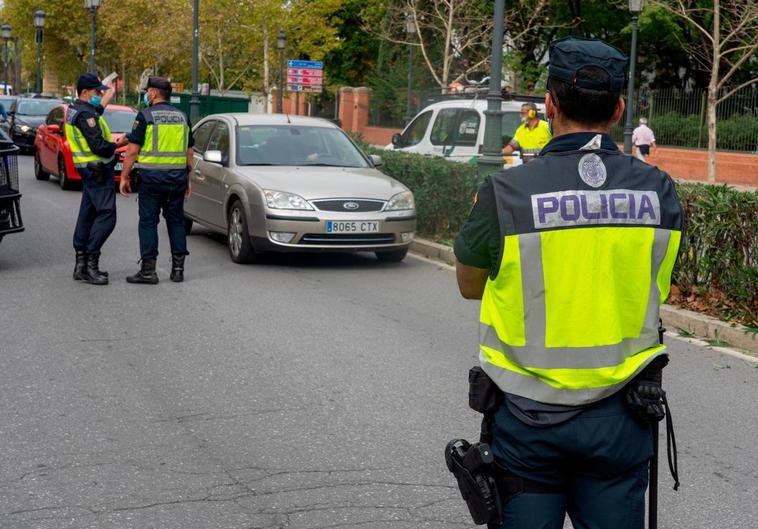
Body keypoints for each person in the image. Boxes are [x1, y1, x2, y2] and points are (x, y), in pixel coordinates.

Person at [453, 36, 684, 529]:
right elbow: (654, 278)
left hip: (525, 419)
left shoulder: (505, 192)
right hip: (621, 417)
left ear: (549, 105)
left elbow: (470, 284)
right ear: (619, 109)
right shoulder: (660, 191)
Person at [119, 77, 194, 284]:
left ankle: (148, 271)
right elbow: (189, 151)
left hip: (151, 180)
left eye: (148, 91)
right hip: (176, 179)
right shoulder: (182, 117)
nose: (147, 94)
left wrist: (124, 176)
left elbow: (132, 150)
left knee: (148, 223)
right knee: (176, 222)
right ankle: (178, 270)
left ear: (152, 93)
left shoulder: (145, 116)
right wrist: (189, 178)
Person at [69, 73, 129, 285]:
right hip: (98, 170)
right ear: (85, 92)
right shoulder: (86, 116)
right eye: (96, 92)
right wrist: (121, 143)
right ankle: (91, 263)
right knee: (107, 216)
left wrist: (108, 93)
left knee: (87, 214)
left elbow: (97, 110)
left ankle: (80, 265)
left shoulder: (76, 110)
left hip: (87, 170)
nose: (98, 95)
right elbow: (99, 147)